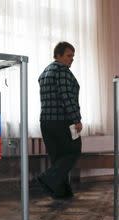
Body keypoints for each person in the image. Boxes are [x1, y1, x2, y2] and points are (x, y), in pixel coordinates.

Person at [37, 41, 82, 199]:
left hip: (46, 122)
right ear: (58, 55)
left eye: (73, 56)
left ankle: (61, 192)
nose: (72, 59)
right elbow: (67, 97)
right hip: (62, 121)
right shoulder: (62, 71)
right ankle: (47, 179)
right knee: (73, 151)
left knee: (57, 157)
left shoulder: (44, 72)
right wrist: (76, 119)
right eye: (69, 55)